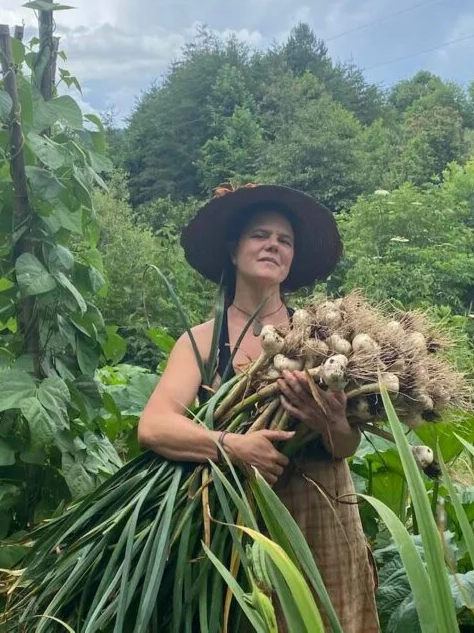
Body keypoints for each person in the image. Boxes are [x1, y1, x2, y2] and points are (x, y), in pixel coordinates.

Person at [138, 183, 379, 632]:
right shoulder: (202, 341)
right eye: (260, 235)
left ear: (291, 261)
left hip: (325, 516)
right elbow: (154, 426)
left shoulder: (326, 338)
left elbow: (346, 447)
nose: (273, 244)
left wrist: (333, 422)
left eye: (284, 240)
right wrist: (234, 447)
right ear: (233, 252)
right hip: (247, 522)